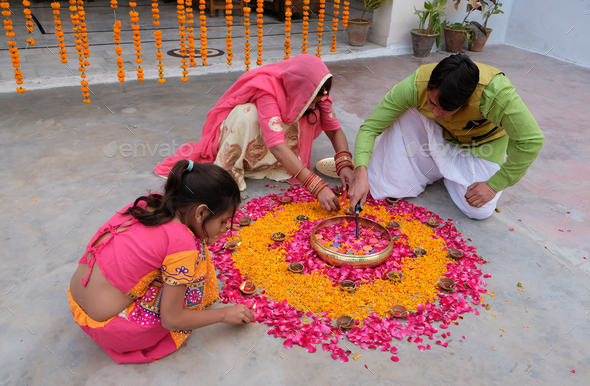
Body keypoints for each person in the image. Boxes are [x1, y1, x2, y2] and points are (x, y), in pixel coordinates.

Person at [68, 161, 254, 364]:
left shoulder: (147, 204)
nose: (226, 228)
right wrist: (224, 315)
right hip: (112, 330)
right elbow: (171, 320)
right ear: (200, 213)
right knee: (199, 257)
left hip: (76, 299)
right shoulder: (182, 243)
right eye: (223, 221)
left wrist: (209, 230)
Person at [348, 53, 544, 219]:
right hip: (438, 136)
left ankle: (446, 172)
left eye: (446, 109)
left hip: (482, 145)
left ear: (466, 100)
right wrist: (361, 172)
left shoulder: (496, 94)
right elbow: (371, 128)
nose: (436, 112)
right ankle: (442, 169)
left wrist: (494, 185)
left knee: (479, 210)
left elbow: (532, 141)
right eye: (432, 103)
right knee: (383, 184)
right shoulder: (416, 85)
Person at [154, 54, 355, 211]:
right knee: (248, 113)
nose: (315, 103)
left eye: (318, 98)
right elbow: (276, 145)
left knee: (308, 113)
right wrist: (316, 186)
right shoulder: (268, 89)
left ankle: (281, 165)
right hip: (261, 142)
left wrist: (343, 162)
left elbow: (334, 130)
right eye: (312, 98)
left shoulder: (319, 97)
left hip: (278, 153)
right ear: (298, 88)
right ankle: (238, 165)